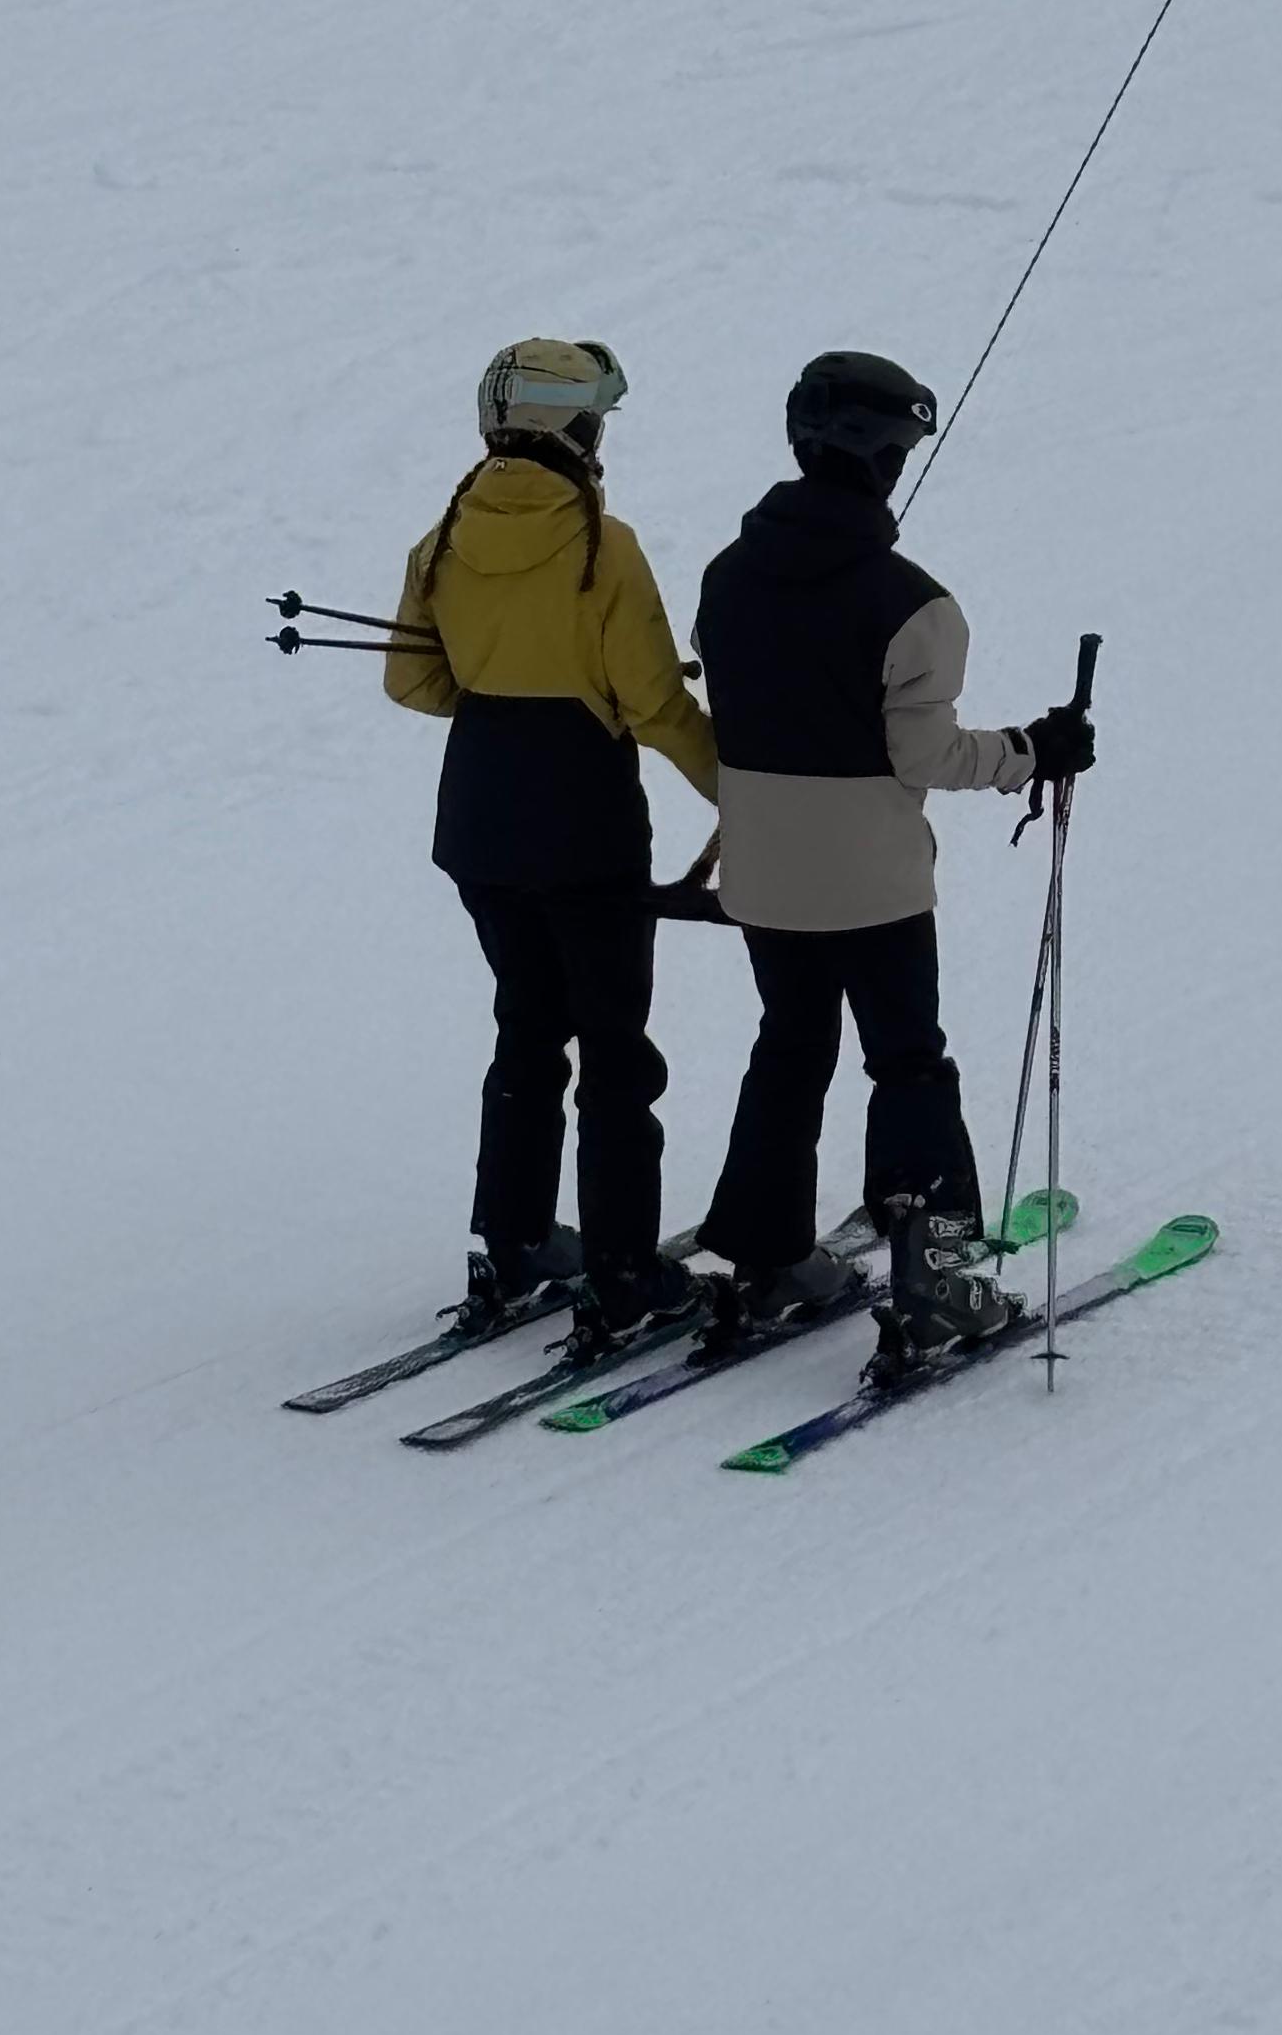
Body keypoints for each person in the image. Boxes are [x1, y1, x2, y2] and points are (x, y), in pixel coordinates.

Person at [692, 350, 1094, 1361]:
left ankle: (768, 1259)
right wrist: (1032, 752)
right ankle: (937, 1280)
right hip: (872, 884)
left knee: (790, 1048)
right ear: (882, 456)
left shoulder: (726, 575)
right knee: (907, 1061)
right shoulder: (916, 604)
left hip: (763, 875)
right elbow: (924, 755)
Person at [387, 339, 718, 1354]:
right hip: (584, 825)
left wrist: (506, 677)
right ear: (570, 426)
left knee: (526, 1031)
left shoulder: (443, 536)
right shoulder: (601, 546)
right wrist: (743, 796)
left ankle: (516, 1239)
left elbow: (413, 681)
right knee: (616, 1050)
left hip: (479, 821)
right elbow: (657, 706)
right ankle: (624, 1274)